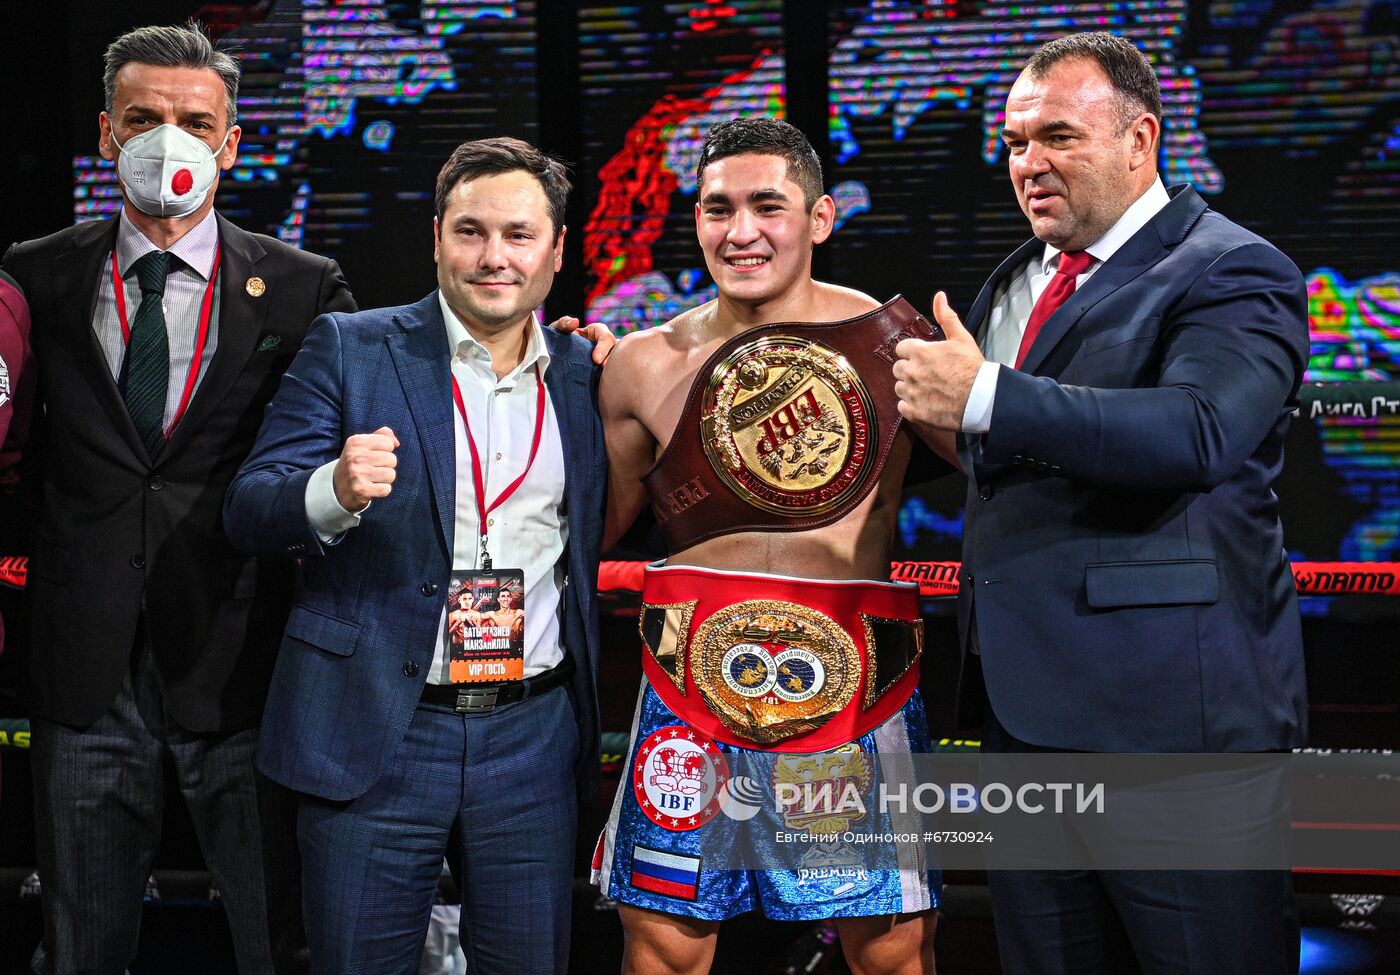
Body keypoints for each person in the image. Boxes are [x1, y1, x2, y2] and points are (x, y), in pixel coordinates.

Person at [891, 31, 1307, 975]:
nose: (1028, 164)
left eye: (1058, 137)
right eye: (1014, 142)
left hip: (1173, 730)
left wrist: (988, 392)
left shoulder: (1231, 268)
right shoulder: (1018, 276)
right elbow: (982, 447)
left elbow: (1198, 430)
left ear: (1140, 139)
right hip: (1025, 725)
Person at [1, 23, 357, 975]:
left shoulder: (303, 289)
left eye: (197, 121)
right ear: (108, 133)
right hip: (84, 672)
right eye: (146, 118)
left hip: (245, 667)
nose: (172, 140)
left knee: (280, 947)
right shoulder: (35, 272)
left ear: (232, 142)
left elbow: (352, 443)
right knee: (81, 951)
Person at [223, 136, 607, 975]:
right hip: (377, 732)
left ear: (555, 249)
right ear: (436, 237)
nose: (493, 256)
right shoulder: (353, 346)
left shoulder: (584, 372)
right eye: (470, 231)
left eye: (517, 234)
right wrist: (333, 488)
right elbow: (248, 507)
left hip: (532, 736)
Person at [593, 116, 943, 975]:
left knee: (890, 949)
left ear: (820, 218)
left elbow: (1016, 486)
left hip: (856, 686)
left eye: (767, 206)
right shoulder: (639, 364)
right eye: (718, 209)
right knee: (666, 943)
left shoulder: (895, 348)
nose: (739, 231)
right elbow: (588, 534)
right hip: (690, 687)